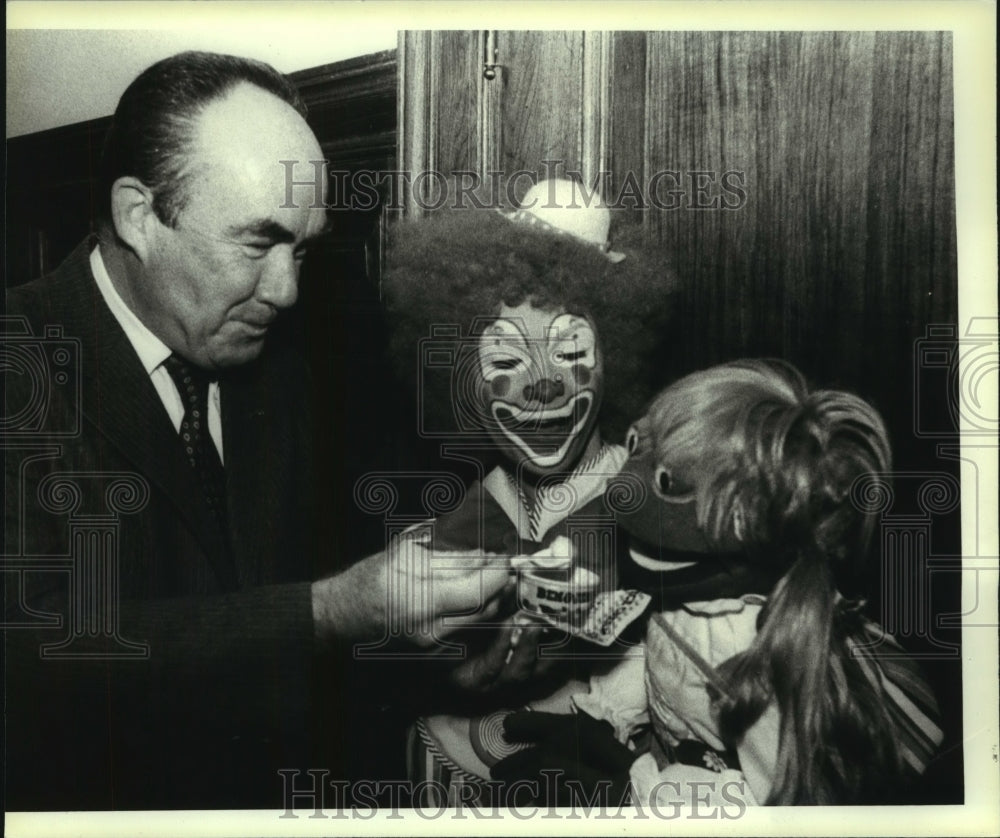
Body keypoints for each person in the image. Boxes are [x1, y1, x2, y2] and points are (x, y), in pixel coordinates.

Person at [3, 50, 510, 810]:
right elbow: (32, 660)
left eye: (301, 248)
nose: (286, 290)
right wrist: (331, 610)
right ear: (139, 216)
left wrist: (439, 659)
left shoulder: (289, 362)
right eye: (255, 243)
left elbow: (315, 631)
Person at [491, 359, 944, 806]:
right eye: (636, 446)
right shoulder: (693, 583)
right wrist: (605, 715)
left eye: (666, 481)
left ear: (745, 522)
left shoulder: (754, 657)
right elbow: (665, 645)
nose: (622, 485)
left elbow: (775, 802)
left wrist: (636, 794)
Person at [380, 178, 678, 803]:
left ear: (615, 355)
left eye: (571, 349)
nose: (542, 387)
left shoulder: (657, 501)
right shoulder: (468, 515)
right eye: (507, 360)